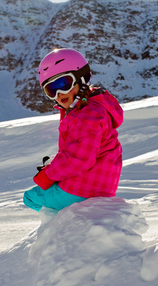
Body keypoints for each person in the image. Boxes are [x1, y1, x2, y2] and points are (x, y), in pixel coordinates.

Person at [23, 48, 123, 212]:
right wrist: (52, 166)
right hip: (101, 186)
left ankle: (63, 230)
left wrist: (47, 175)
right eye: (52, 89)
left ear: (81, 78)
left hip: (82, 190)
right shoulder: (95, 107)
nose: (59, 93)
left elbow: (78, 159)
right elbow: (80, 149)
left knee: (31, 197)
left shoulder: (86, 115)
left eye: (64, 83)